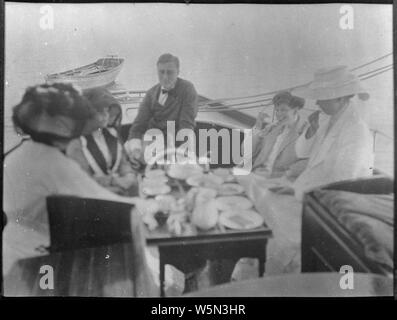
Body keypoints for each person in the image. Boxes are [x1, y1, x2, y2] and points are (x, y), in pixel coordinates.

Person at [2, 83, 146, 276]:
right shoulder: (54, 163)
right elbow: (106, 200)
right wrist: (153, 205)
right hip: (40, 259)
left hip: (12, 251)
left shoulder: (16, 155)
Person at [278, 65, 374, 200]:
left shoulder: (356, 132)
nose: (317, 103)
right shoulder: (326, 121)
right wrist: (311, 130)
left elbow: (343, 182)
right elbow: (302, 153)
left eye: (322, 98)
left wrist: (298, 194)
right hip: (306, 192)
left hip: (327, 203)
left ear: (340, 98)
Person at [124, 53, 198, 166]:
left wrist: (184, 155)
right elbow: (138, 127)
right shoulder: (151, 93)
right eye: (161, 72)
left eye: (170, 72)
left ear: (178, 72)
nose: (165, 77)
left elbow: (186, 125)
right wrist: (136, 150)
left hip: (176, 142)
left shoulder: (188, 89)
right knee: (127, 148)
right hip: (154, 141)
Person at [66, 88, 138, 195]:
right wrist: (114, 182)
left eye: (106, 111)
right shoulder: (76, 144)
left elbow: (123, 164)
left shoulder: (111, 134)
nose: (106, 116)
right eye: (100, 112)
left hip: (119, 188)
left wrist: (129, 176)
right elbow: (83, 181)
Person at [247, 91, 308, 180]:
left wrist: (286, 175)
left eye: (283, 110)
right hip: (257, 173)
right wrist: (258, 128)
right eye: (277, 110)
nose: (279, 114)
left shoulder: (306, 131)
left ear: (296, 109)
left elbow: (306, 161)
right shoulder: (272, 128)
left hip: (281, 180)